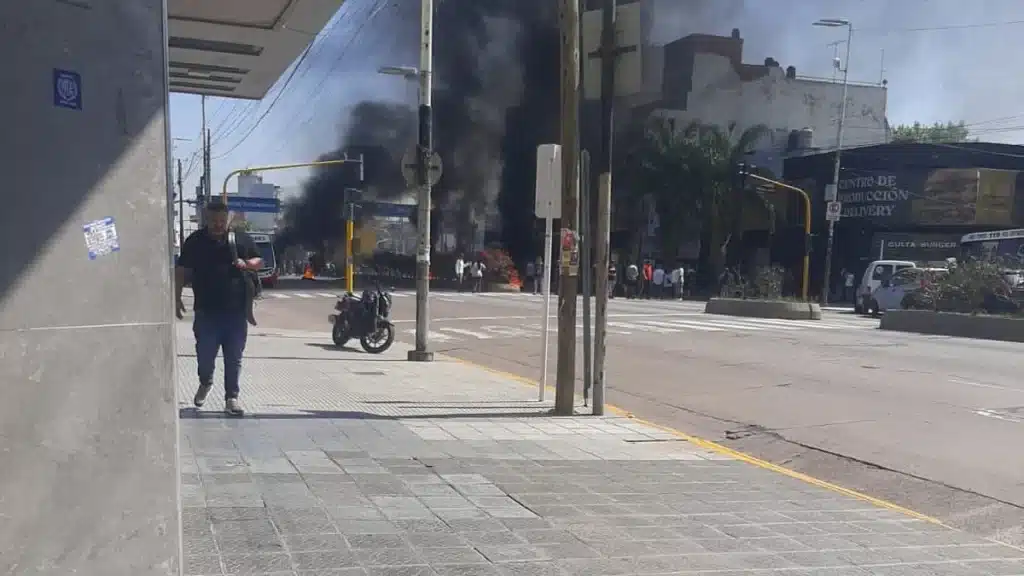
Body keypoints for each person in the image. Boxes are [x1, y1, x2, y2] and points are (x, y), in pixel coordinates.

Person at [175, 199, 263, 416]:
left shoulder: (238, 238)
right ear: (206, 218)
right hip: (206, 311)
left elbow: (259, 260)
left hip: (236, 312)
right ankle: (205, 382)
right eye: (213, 220)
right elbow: (181, 272)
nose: (218, 225)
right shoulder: (195, 242)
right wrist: (176, 298)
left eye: (221, 220)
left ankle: (231, 398)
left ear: (227, 219)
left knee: (234, 358)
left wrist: (248, 264)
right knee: (205, 356)